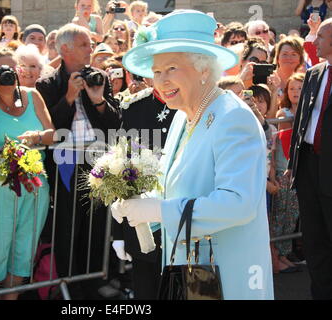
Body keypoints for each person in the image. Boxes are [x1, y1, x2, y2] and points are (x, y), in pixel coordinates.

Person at [113, 10, 274, 300]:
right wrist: (142, 204)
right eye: (157, 71)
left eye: (172, 68)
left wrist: (159, 210)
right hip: (193, 273)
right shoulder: (182, 117)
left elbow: (239, 203)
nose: (161, 80)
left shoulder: (233, 118)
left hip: (228, 274)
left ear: (203, 69)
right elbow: (176, 188)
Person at [35, 23, 121, 299]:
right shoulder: (47, 85)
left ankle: (95, 279)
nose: (91, 49)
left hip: (96, 160)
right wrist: (70, 97)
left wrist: (98, 101)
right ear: (65, 49)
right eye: (85, 44)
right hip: (64, 163)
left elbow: (114, 125)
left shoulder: (100, 77)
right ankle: (67, 282)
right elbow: (51, 128)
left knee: (96, 222)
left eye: (90, 44)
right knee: (67, 224)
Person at [0, 45, 54, 300]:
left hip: (34, 185)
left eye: (12, 67)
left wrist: (38, 136)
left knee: (23, 249)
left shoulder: (33, 95)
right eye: (0, 69)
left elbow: (53, 134)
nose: (8, 73)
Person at [112, 82, 176, 300]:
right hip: (143, 224)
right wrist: (118, 233)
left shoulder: (192, 106)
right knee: (146, 290)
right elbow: (119, 169)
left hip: (179, 220)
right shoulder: (133, 107)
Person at [287, 18, 332, 299]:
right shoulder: (314, 73)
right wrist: (293, 165)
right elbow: (301, 120)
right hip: (308, 171)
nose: (314, 42)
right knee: (314, 242)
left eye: (322, 38)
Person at [269, 73, 304, 273]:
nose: (295, 92)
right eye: (292, 88)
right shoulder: (283, 113)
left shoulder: (309, 111)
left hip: (299, 172)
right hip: (283, 171)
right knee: (279, 216)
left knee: (292, 216)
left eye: (300, 88)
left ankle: (284, 254)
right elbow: (283, 137)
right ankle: (276, 256)